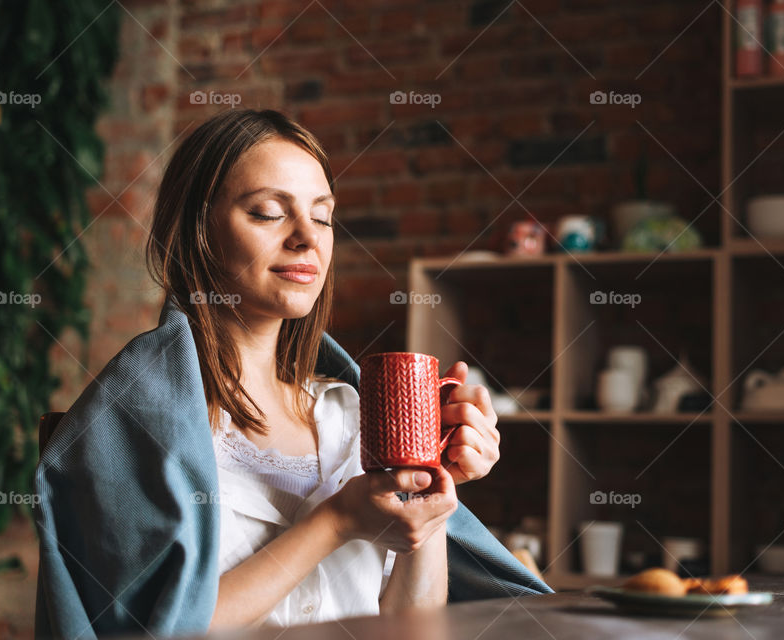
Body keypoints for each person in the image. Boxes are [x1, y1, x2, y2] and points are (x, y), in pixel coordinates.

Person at [33, 109, 552, 639]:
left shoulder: (351, 415)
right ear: (196, 231)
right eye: (267, 212)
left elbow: (412, 632)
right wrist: (336, 522)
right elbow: (156, 632)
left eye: (322, 216)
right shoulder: (140, 417)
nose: (307, 237)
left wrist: (434, 499)